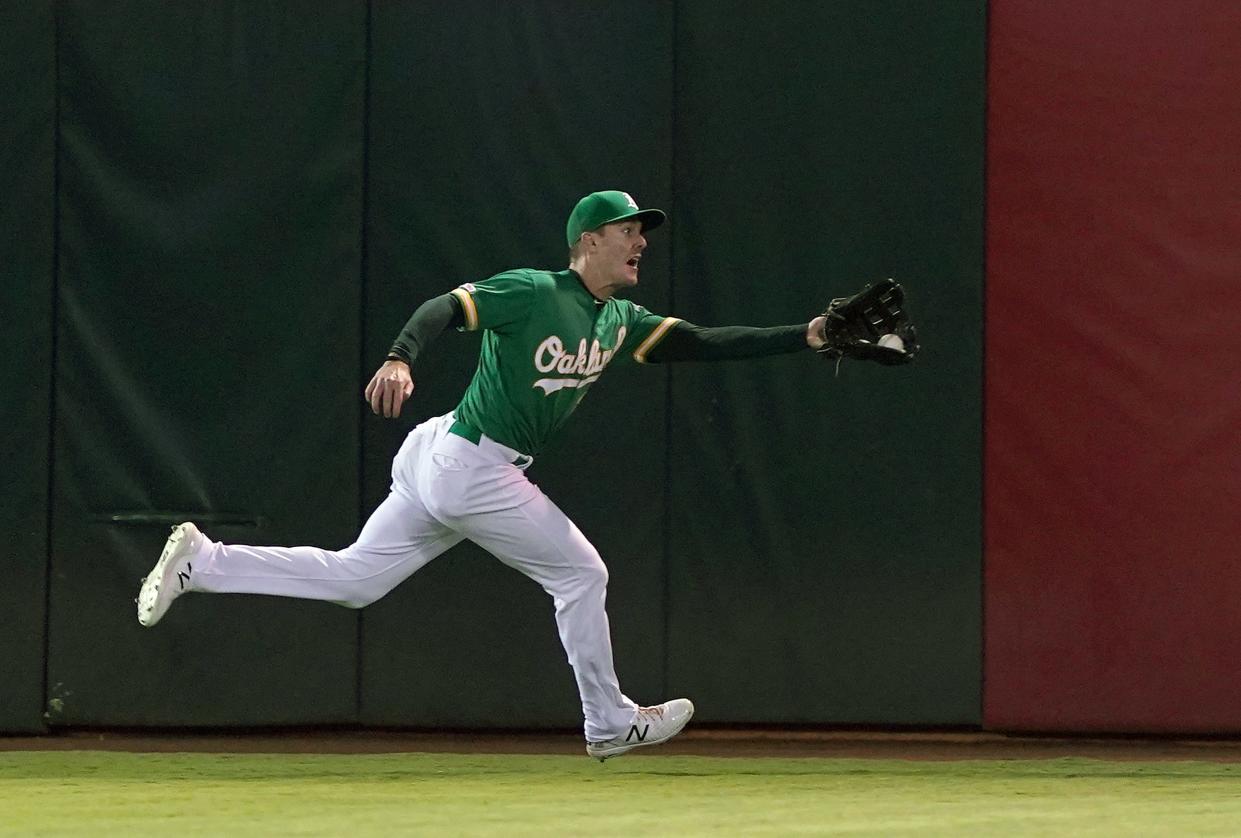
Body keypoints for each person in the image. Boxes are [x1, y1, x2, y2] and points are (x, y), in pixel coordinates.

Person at [137, 190, 830, 760]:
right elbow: (445, 307)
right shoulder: (532, 291)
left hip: (447, 455)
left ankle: (206, 560)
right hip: (469, 463)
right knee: (581, 574)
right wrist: (401, 355)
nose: (640, 241)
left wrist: (806, 336)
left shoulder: (620, 318)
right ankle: (608, 721)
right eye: (627, 230)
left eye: (640, 232)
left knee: (356, 580)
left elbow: (700, 344)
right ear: (588, 241)